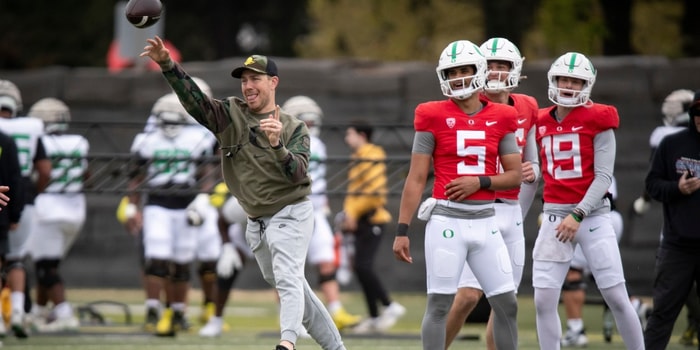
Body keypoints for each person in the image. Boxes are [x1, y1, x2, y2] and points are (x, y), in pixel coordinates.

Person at [141, 36, 347, 350]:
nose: (248, 86)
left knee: (289, 278)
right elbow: (195, 101)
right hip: (256, 220)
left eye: (256, 79)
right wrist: (168, 65)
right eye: (244, 80)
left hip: (291, 212)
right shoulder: (230, 116)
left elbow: (299, 175)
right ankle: (336, 348)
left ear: (273, 82)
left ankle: (287, 343)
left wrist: (278, 146)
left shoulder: (293, 127)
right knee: (296, 290)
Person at [393, 39, 521, 350]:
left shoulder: (502, 115)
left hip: (486, 221)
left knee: (507, 305)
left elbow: (515, 175)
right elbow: (417, 176)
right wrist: (402, 229)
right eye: (453, 72)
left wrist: (481, 181)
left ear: (479, 71)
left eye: (465, 70)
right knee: (438, 306)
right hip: (447, 221)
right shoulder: (431, 114)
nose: (460, 77)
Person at [531, 52, 644, 349]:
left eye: (575, 81)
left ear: (587, 85)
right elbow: (536, 170)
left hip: (592, 217)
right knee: (543, 300)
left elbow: (604, 177)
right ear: (553, 80)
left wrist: (578, 214)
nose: (568, 85)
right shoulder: (539, 120)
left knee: (617, 297)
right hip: (554, 217)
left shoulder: (599, 117)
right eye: (564, 79)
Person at [443, 37, 539, 350]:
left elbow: (533, 160)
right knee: (467, 295)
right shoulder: (468, 103)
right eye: (492, 65)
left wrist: (532, 170)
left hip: (510, 210)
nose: (496, 72)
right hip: (478, 208)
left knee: (504, 302)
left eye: (503, 65)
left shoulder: (528, 106)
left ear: (516, 69)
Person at [122, 92, 218, 337]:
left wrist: (202, 197)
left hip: (186, 203)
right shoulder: (147, 140)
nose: (171, 125)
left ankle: (178, 312)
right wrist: (132, 204)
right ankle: (153, 309)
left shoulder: (196, 138)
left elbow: (207, 172)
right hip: (157, 203)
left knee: (182, 262)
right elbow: (136, 176)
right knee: (157, 257)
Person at [281, 95, 362, 332]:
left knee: (327, 262)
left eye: (313, 123)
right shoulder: (281, 142)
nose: (311, 128)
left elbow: (321, 179)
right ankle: (291, 319)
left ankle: (336, 311)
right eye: (306, 122)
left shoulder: (320, 145)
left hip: (315, 210)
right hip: (291, 210)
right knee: (290, 269)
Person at [631, 88, 700, 346]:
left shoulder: (665, 136)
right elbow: (653, 183)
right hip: (678, 243)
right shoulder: (671, 142)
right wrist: (677, 188)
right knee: (663, 311)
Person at [558, 176, 651, 346]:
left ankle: (575, 329)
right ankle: (636, 306)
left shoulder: (580, 160)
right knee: (601, 272)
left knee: (573, 272)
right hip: (609, 217)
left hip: (592, 218)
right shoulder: (600, 161)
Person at [24, 98, 89, 332]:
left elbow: (43, 173)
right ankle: (38, 312)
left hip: (47, 207)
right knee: (49, 264)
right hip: (75, 208)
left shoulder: (38, 141)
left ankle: (64, 313)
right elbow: (87, 175)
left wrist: (33, 191)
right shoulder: (79, 141)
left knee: (45, 266)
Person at [340, 119, 405, 334]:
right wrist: (349, 213)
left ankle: (388, 305)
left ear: (362, 135)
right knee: (360, 267)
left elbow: (375, 193)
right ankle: (376, 316)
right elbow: (353, 191)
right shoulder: (356, 157)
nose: (346, 138)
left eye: (350, 134)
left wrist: (354, 212)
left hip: (373, 220)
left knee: (363, 266)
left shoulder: (373, 155)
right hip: (360, 220)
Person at [0, 79, 52, 338]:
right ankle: (18, 312)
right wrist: (31, 195)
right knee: (16, 259)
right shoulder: (31, 127)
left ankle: (0, 318)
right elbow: (44, 170)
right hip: (22, 196)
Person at [199, 184, 252, 338]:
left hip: (276, 241)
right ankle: (216, 320)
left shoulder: (287, 203)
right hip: (245, 237)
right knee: (227, 269)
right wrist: (228, 247)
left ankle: (296, 323)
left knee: (286, 275)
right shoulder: (245, 200)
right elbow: (222, 221)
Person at [0, 131, 24, 340]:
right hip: (4, 210)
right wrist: (15, 213)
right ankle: (16, 312)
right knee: (13, 260)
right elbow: (15, 178)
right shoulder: (6, 140)